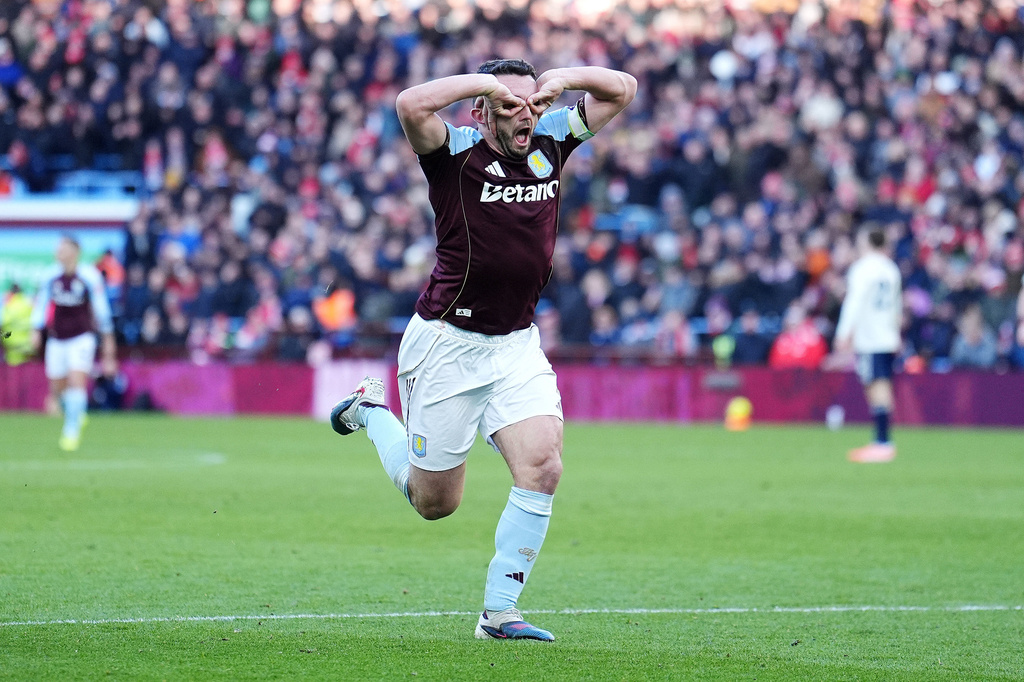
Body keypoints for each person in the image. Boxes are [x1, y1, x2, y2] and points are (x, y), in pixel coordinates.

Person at [329, 58, 636, 641]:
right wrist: (487, 87)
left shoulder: (553, 139)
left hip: (516, 344)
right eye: (510, 105)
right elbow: (409, 103)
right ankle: (371, 412)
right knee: (434, 502)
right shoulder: (453, 154)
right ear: (481, 110)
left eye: (532, 104)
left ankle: (499, 612)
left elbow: (624, 89)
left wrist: (562, 79)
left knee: (543, 465)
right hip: (447, 343)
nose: (526, 116)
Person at [30, 235, 118, 451]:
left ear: (75, 252)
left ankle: (71, 430)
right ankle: (76, 411)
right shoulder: (50, 276)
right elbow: (41, 304)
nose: (58, 252)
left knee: (77, 379)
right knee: (57, 388)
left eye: (63, 248)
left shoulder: (89, 276)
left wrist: (108, 345)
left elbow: (101, 310)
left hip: (81, 337)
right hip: (57, 339)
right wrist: (35, 329)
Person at [834, 225, 902, 463]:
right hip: (886, 335)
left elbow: (853, 302)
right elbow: (896, 306)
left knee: (877, 386)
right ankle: (881, 440)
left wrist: (844, 332)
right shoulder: (891, 270)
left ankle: (883, 442)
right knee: (879, 384)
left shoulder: (862, 269)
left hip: (871, 337)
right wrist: (896, 332)